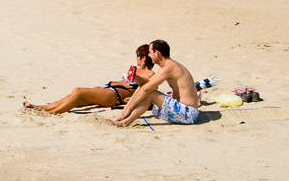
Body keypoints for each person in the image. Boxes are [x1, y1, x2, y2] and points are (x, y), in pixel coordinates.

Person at [24, 45, 156, 114]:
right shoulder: (136, 70)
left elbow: (150, 91)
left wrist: (133, 94)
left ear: (143, 58)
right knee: (73, 97)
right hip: (108, 89)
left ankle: (53, 112)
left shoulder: (150, 74)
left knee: (78, 91)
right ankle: (40, 107)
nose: (137, 58)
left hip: (114, 95)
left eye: (138, 56)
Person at [105, 40, 202, 126]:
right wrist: (136, 77)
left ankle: (124, 119)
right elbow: (146, 83)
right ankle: (124, 117)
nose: (149, 55)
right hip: (182, 110)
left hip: (188, 113)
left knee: (149, 92)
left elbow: (148, 88)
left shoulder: (170, 67)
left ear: (157, 53)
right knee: (146, 90)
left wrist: (131, 105)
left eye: (150, 52)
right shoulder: (168, 65)